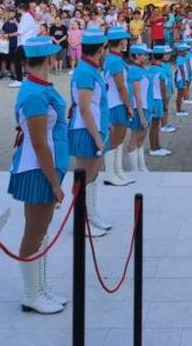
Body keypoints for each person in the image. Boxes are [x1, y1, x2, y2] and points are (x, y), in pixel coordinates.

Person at [7, 36, 69, 315]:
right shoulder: (34, 94)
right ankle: (31, 294)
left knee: (42, 231)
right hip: (37, 169)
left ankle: (40, 287)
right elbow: (39, 142)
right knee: (34, 233)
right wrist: (55, 183)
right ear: (48, 59)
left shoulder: (40, 87)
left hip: (45, 167)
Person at [67, 29, 110, 237]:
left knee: (92, 177)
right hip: (85, 131)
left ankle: (91, 215)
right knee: (84, 178)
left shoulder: (91, 69)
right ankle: (81, 222)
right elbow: (84, 108)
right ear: (100, 49)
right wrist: (97, 138)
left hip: (93, 128)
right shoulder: (85, 71)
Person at [102, 28, 134, 187]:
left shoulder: (113, 58)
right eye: (125, 40)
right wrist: (129, 106)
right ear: (120, 42)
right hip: (116, 104)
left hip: (115, 103)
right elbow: (121, 87)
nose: (127, 42)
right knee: (115, 139)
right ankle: (110, 174)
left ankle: (118, 170)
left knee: (119, 140)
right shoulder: (115, 61)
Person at [125, 43, 153, 172]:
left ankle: (142, 166)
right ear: (137, 55)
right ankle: (134, 169)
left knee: (141, 139)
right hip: (138, 109)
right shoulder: (134, 70)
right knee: (135, 138)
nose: (147, 56)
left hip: (146, 107)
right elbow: (137, 95)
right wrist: (141, 115)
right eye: (144, 54)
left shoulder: (142, 69)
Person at [147, 46, 171, 158]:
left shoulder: (149, 69)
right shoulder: (161, 70)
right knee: (155, 126)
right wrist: (166, 103)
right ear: (162, 57)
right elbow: (163, 89)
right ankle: (153, 148)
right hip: (158, 99)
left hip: (151, 99)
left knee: (155, 125)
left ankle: (157, 146)